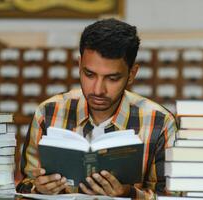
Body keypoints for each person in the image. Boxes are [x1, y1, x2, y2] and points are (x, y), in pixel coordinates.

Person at [17, 18, 177, 199]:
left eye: (112, 78)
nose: (98, 90)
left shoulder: (160, 122)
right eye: (90, 74)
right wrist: (38, 189)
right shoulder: (47, 113)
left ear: (132, 74)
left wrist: (129, 193)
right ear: (79, 66)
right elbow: (24, 186)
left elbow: (170, 196)